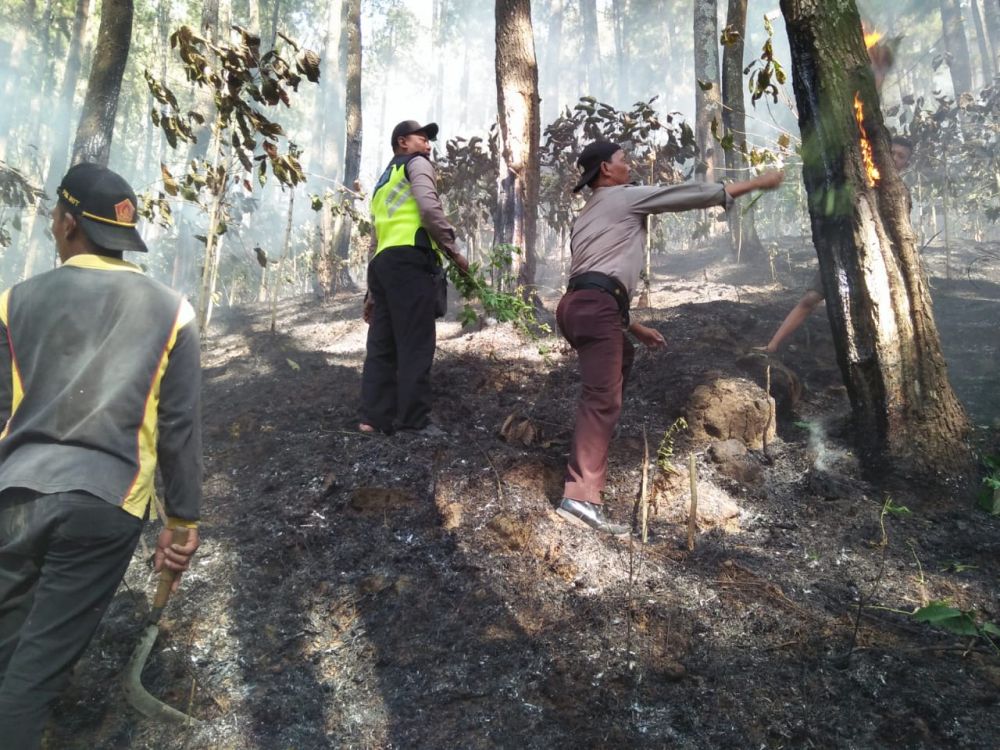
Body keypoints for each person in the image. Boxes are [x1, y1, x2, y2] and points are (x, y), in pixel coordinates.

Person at [0, 163, 202, 748]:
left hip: (14, 495)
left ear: (65, 224)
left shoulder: (13, 303)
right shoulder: (173, 311)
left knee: (8, 655)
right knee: (35, 673)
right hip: (105, 503)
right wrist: (181, 522)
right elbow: (179, 428)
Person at [557, 141, 784, 535]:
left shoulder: (588, 214)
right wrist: (755, 183)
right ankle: (579, 497)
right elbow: (684, 196)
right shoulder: (623, 197)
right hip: (595, 308)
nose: (629, 164)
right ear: (606, 171)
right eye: (622, 159)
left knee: (616, 367)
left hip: (577, 306)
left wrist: (632, 325)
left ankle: (590, 456)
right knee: (601, 400)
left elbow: (596, 274)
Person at [359, 120, 468, 436]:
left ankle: (372, 418)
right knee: (416, 343)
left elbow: (377, 237)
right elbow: (428, 208)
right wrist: (454, 252)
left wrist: (372, 292)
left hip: (384, 266)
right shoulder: (417, 164)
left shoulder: (383, 182)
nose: (429, 146)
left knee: (382, 345)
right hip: (410, 263)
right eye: (423, 139)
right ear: (402, 142)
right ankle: (413, 421)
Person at [761, 135, 913, 354]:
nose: (895, 159)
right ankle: (772, 345)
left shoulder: (899, 194)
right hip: (842, 251)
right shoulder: (860, 180)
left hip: (878, 260)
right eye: (892, 153)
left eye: (901, 156)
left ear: (906, 164)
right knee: (810, 298)